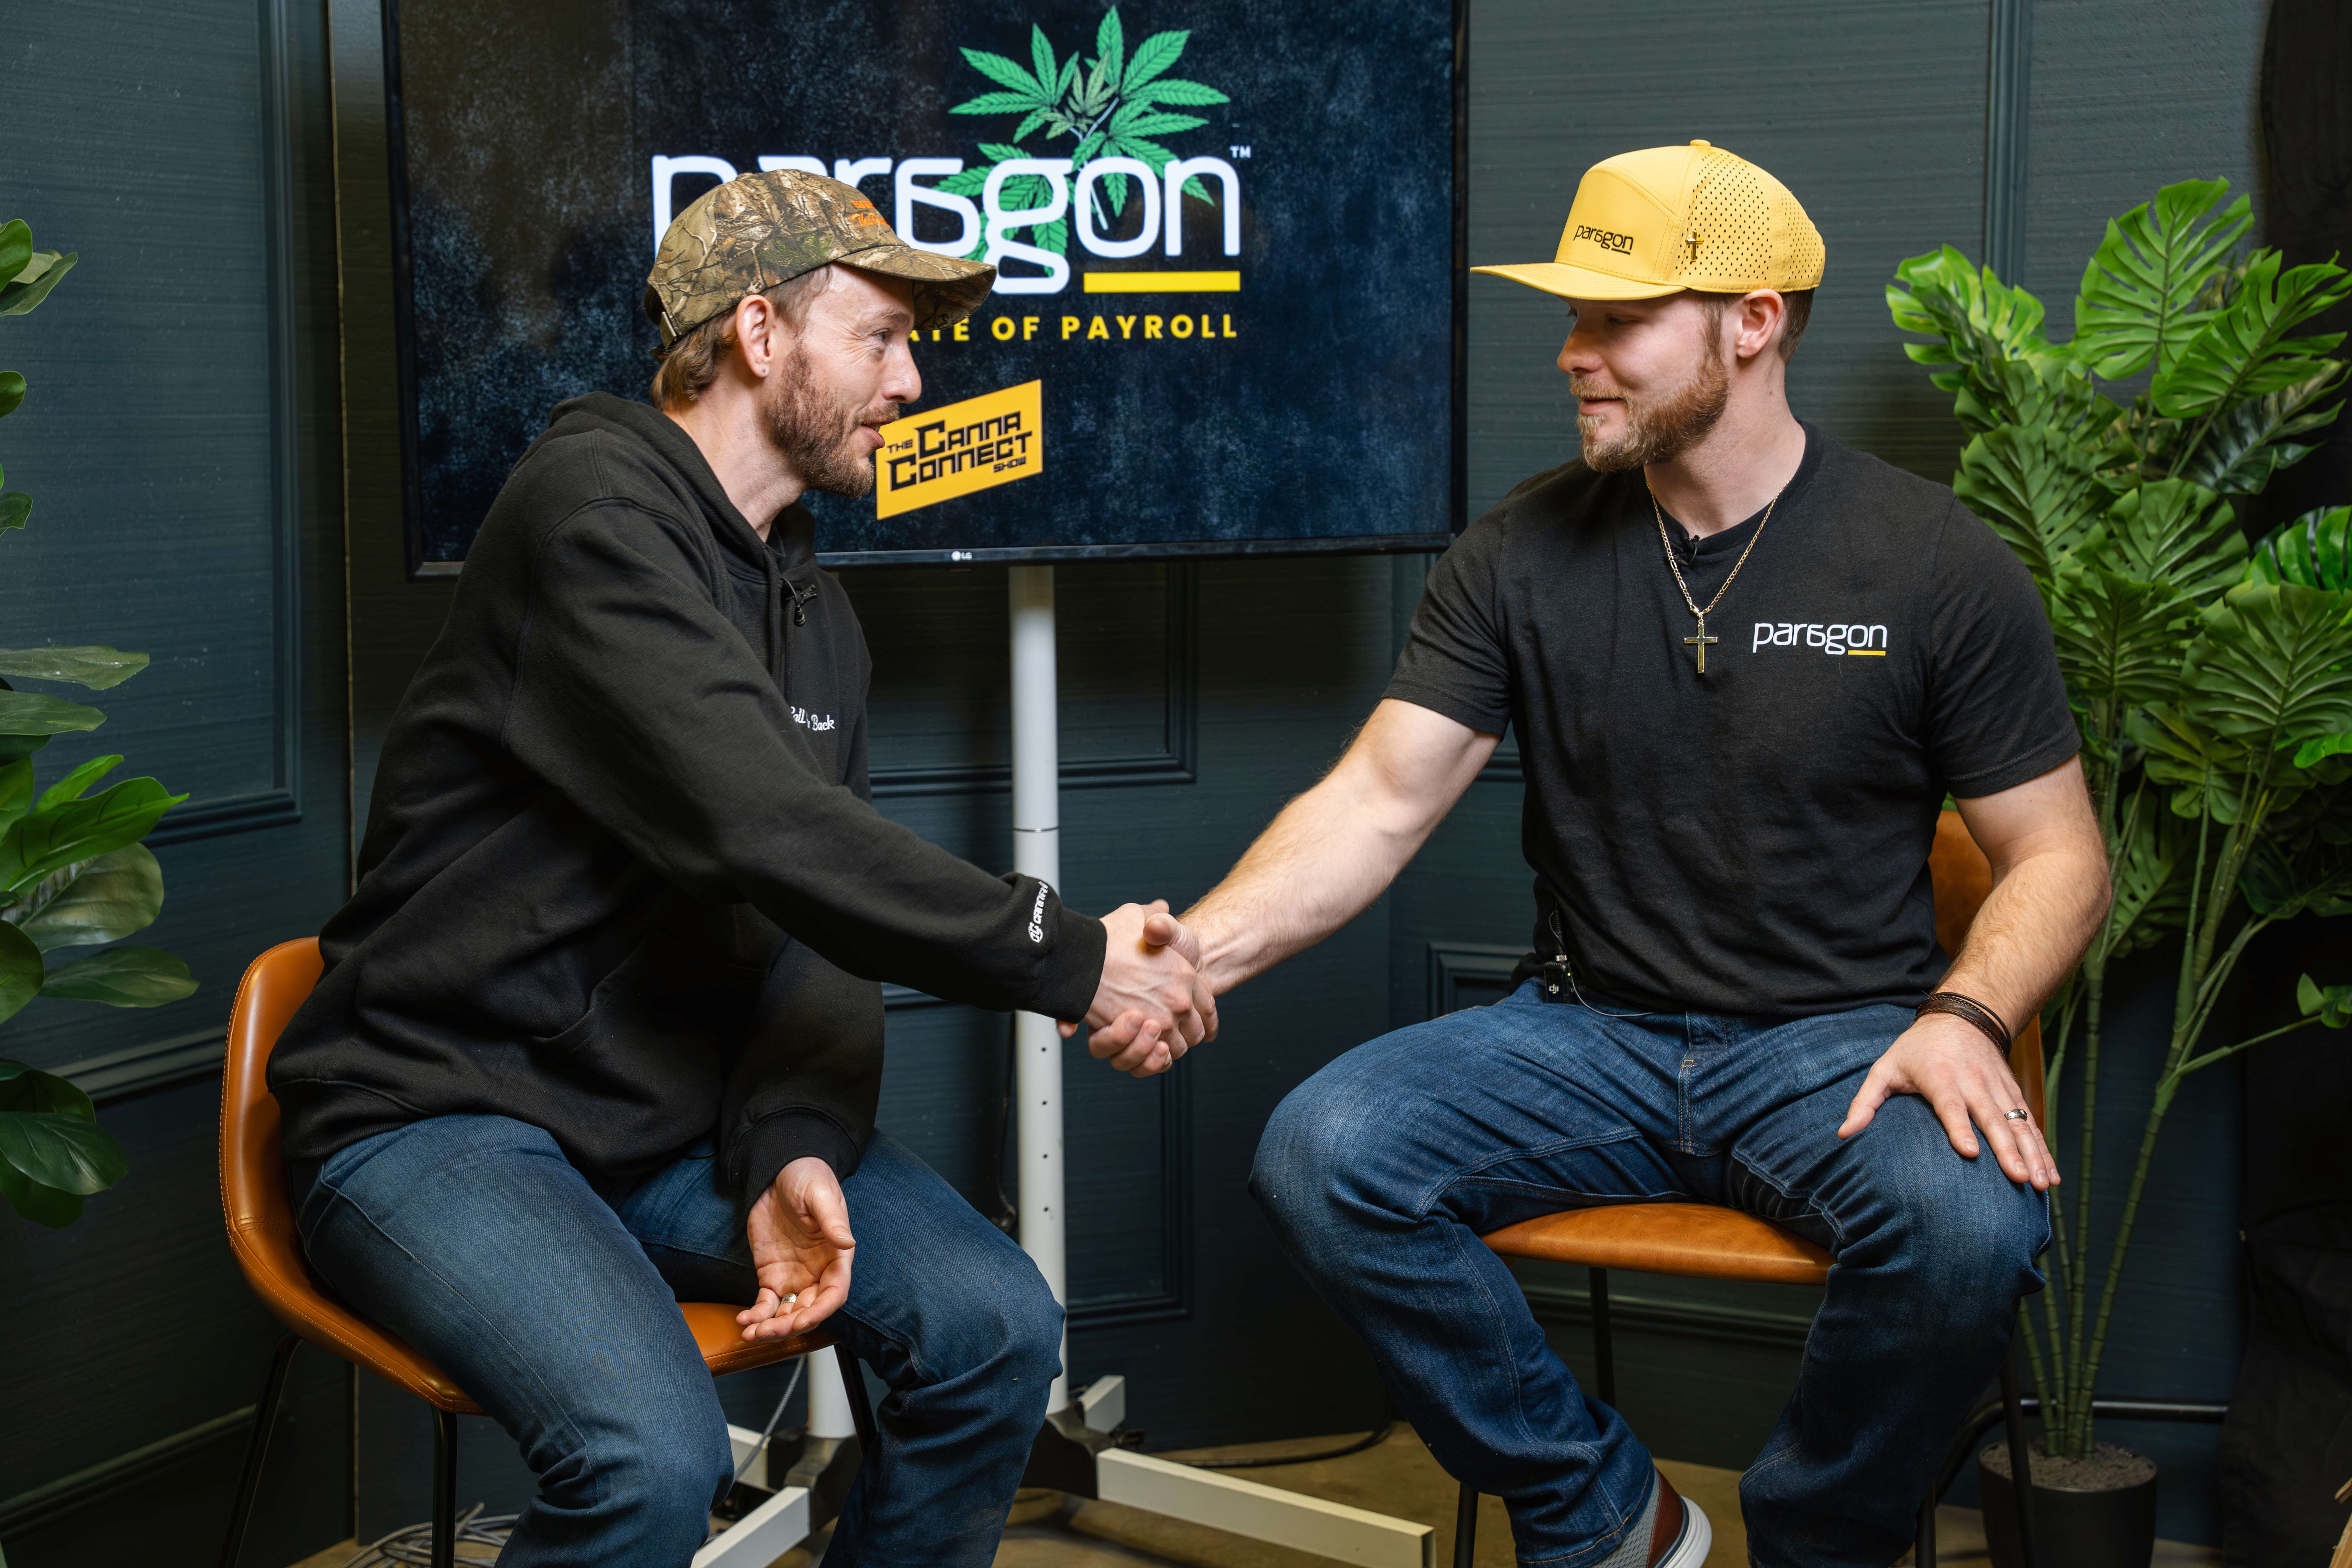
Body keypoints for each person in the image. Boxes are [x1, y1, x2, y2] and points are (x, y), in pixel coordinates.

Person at [1165, 142, 2109, 1568]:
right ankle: (1603, 1512)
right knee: (1322, 1155)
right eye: (1572, 319)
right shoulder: (1522, 549)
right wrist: (1197, 954)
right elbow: (1376, 800)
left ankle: (1816, 1539)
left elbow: (2057, 857)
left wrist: (1963, 1015)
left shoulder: (1928, 562)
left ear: (1753, 320)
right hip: (1585, 1037)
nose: (1573, 355)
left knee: (1969, 1231)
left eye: (1617, 320)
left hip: (1838, 1046)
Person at [268, 170, 1208, 1567]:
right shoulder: (591, 511)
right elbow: (761, 826)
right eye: (882, 337)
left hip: (664, 1130)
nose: (914, 377)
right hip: (440, 1115)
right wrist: (1075, 960)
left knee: (993, 1328)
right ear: (761, 335)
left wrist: (792, 1144)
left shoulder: (813, 613)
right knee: (647, 1462)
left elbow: (813, 917)